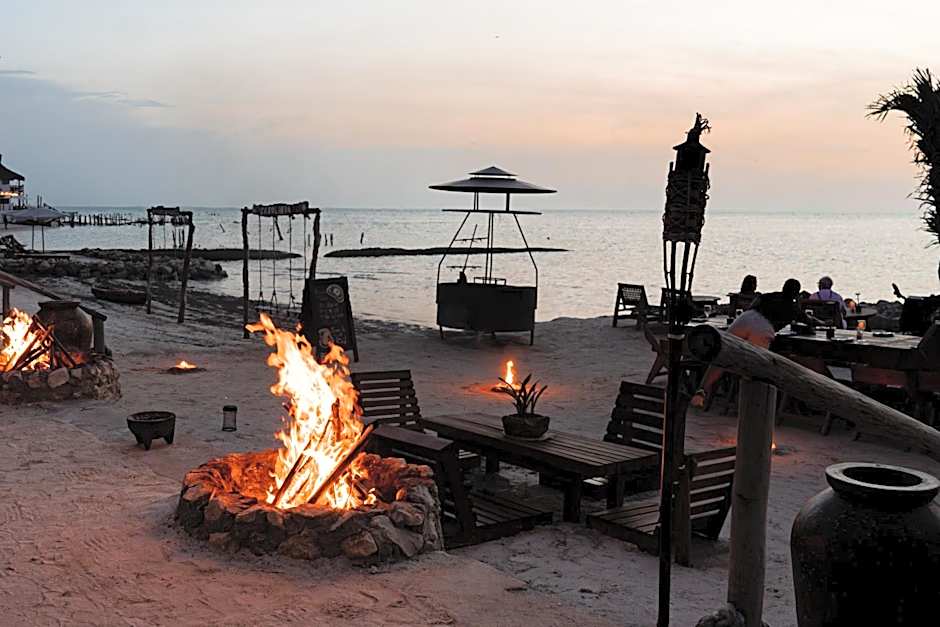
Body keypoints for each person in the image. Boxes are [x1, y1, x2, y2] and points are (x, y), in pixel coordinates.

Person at [691, 278, 815, 409]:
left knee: (722, 353)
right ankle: (751, 405)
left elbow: (756, 301)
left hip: (746, 318)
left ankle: (702, 390)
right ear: (797, 293)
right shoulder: (793, 308)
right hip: (763, 328)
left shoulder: (770, 296)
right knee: (754, 367)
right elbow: (808, 321)